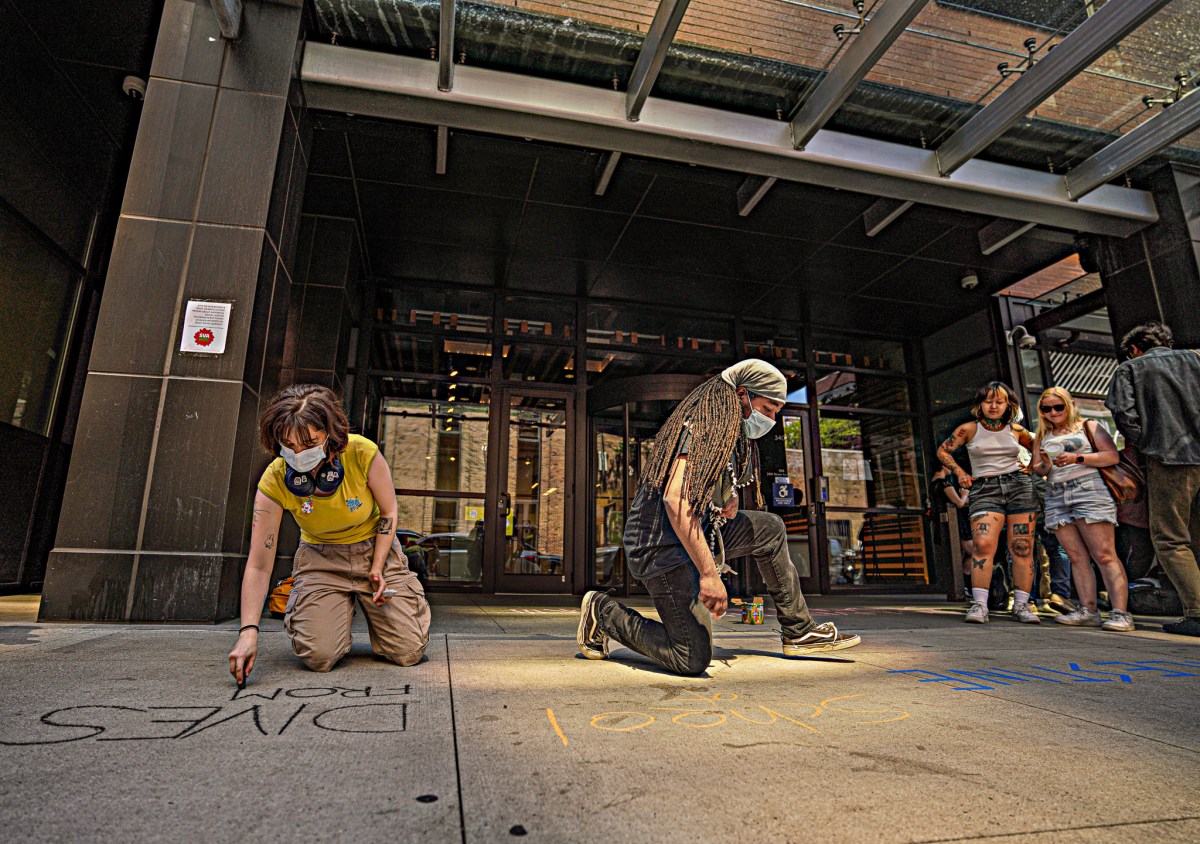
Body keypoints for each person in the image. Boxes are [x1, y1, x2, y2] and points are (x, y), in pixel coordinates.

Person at [576, 359, 860, 676]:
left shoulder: (725, 426)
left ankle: (799, 630)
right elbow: (676, 500)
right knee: (691, 656)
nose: (772, 419)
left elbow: (708, 478)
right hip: (659, 547)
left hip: (695, 532)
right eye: (768, 408)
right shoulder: (705, 421)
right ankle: (603, 612)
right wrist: (710, 576)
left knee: (770, 529)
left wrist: (730, 497)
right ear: (742, 394)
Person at [228, 384, 430, 683]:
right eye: (289, 445)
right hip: (319, 557)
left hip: (375, 549)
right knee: (318, 657)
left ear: (330, 435)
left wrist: (377, 567)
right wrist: (248, 632)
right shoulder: (274, 480)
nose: (298, 453)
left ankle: (383, 616)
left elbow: (388, 513)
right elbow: (259, 564)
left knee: (408, 653)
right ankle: (330, 611)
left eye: (309, 442)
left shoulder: (362, 452)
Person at [1105, 321, 1200, 637]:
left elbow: (1124, 415)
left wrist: (1148, 446)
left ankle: (1197, 613)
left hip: (1169, 459)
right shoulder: (1196, 358)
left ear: (1133, 349)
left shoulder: (1130, 369)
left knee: (1171, 539)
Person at [1028, 387, 1132, 631]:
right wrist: (1044, 461)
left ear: (1070, 404)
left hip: (1089, 489)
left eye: (1058, 407)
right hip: (1056, 492)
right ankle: (1088, 610)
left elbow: (1111, 456)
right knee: (1075, 556)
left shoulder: (1089, 426)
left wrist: (1076, 458)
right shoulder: (1042, 435)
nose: (1053, 412)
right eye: (1046, 408)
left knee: (1105, 554)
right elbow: (1040, 470)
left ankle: (1121, 612)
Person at [937, 381, 1040, 624]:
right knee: (982, 545)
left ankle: (1023, 605)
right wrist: (960, 473)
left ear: (1008, 405)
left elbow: (1040, 448)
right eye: (988, 401)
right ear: (980, 404)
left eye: (999, 401)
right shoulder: (968, 429)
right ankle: (979, 605)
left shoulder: (1016, 431)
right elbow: (943, 451)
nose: (993, 406)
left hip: (1019, 486)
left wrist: (1034, 466)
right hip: (985, 488)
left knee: (1022, 547)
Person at [929, 466, 973, 600]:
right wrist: (964, 494)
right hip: (956, 523)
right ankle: (963, 581)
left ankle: (961, 583)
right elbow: (959, 503)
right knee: (974, 551)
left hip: (944, 523)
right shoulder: (944, 484)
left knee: (959, 554)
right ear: (943, 466)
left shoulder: (932, 484)